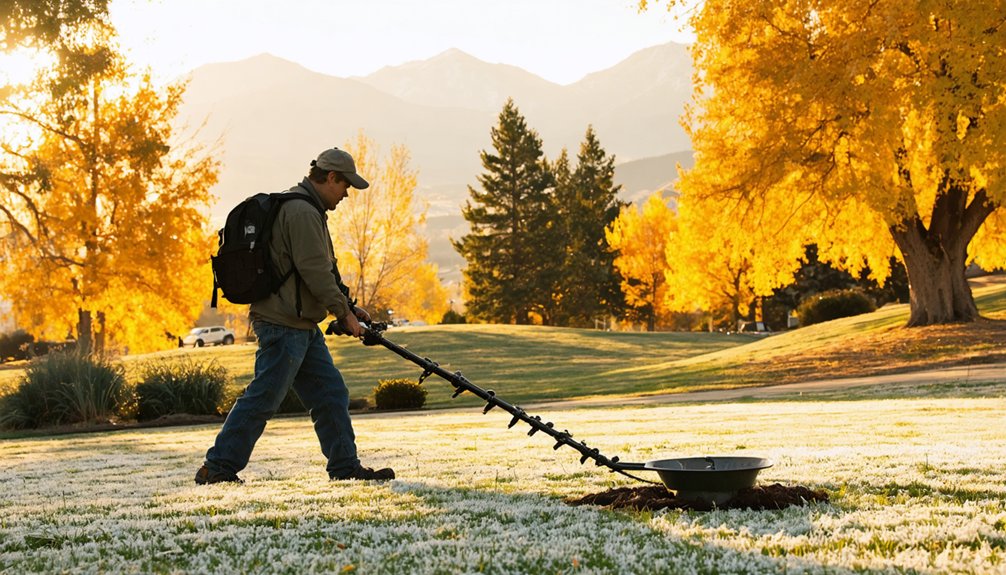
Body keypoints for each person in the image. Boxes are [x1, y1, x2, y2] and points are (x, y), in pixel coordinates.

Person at [195, 147, 395, 484]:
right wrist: (343, 315)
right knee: (264, 397)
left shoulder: (307, 209)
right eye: (345, 186)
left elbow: (323, 270)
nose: (346, 194)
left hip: (300, 324)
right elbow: (315, 273)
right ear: (330, 177)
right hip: (282, 324)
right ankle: (217, 467)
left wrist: (349, 305)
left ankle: (345, 467)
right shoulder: (302, 212)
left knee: (330, 393)